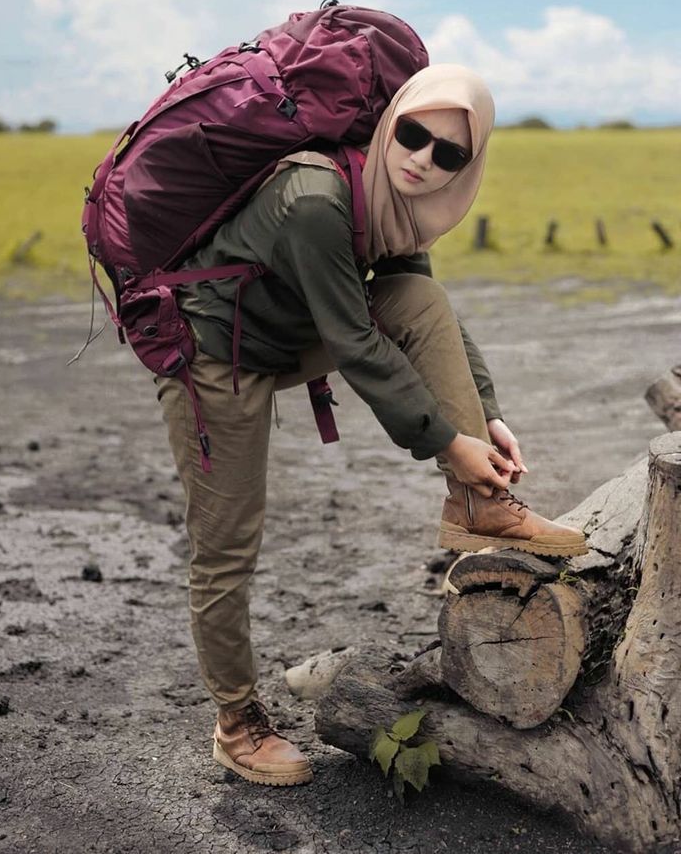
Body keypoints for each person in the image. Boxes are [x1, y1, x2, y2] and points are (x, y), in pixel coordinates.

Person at [154, 63, 587, 787]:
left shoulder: (392, 204)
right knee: (226, 543)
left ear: (467, 162)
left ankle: (477, 502)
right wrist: (449, 440)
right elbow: (356, 342)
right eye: (413, 136)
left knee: (414, 293)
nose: (423, 160)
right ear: (390, 126)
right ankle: (237, 723)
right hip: (210, 351)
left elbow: (419, 303)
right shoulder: (316, 197)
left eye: (449, 153)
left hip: (287, 326)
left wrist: (488, 414)